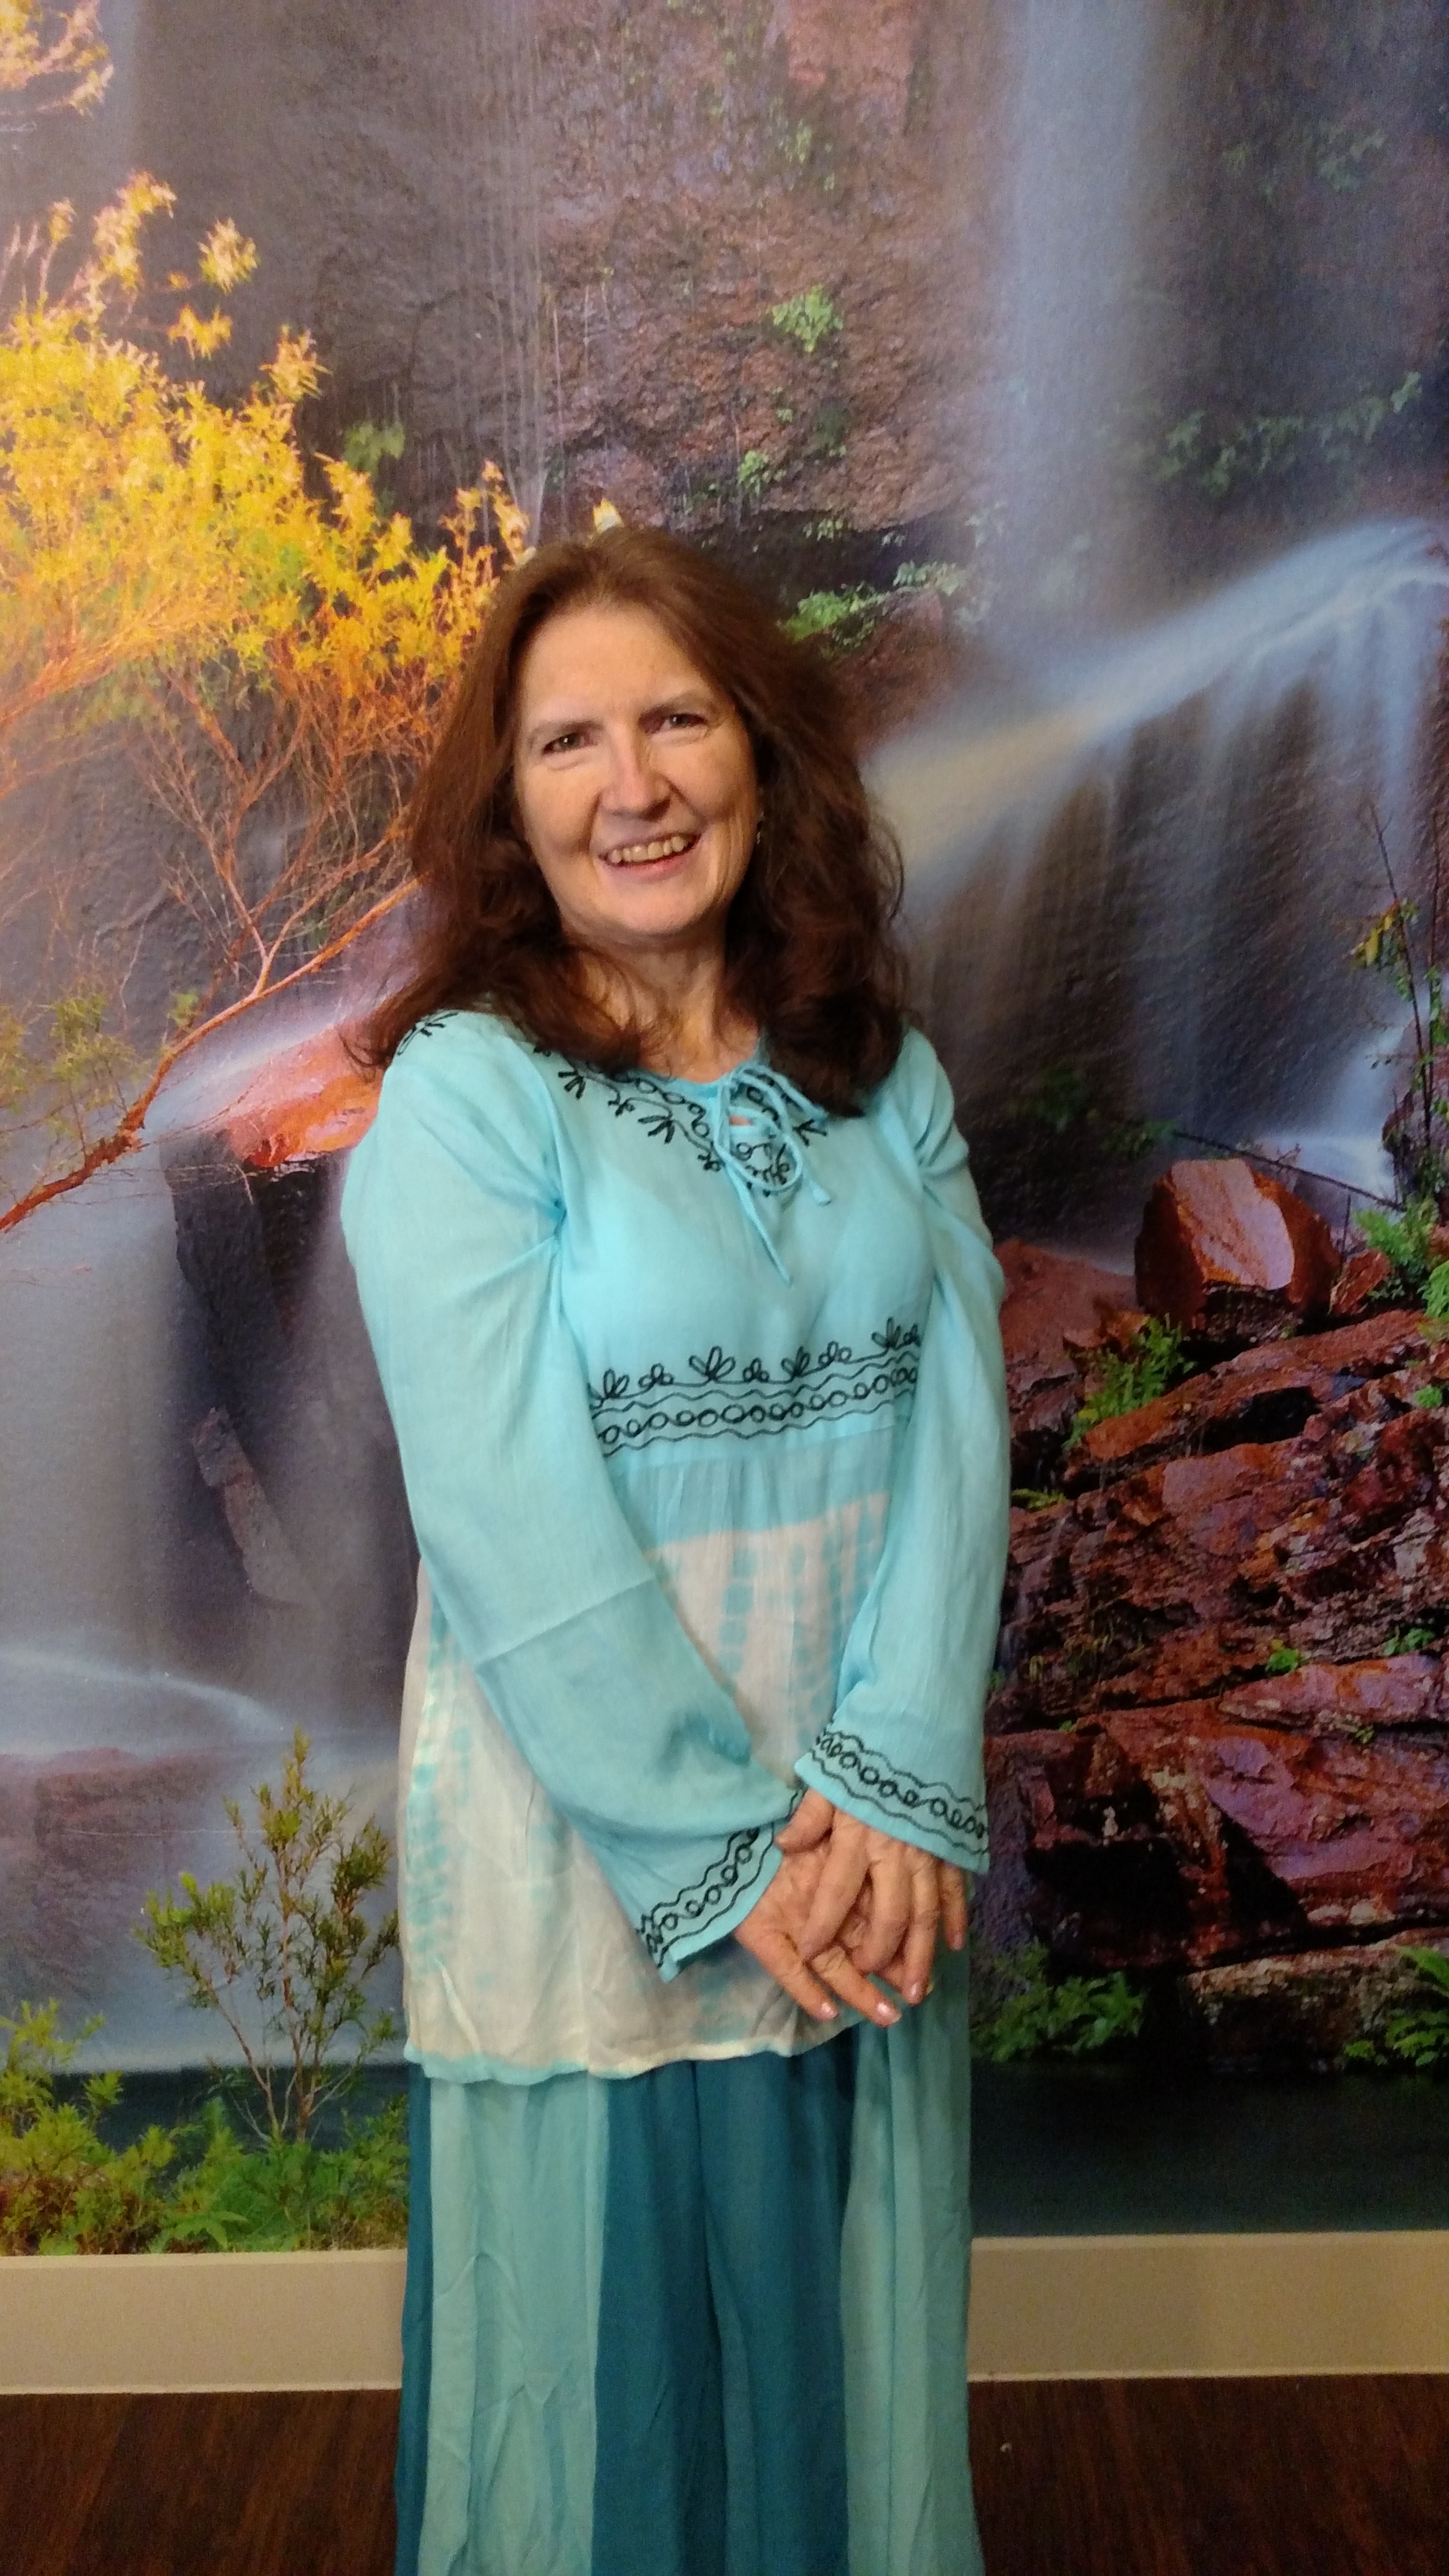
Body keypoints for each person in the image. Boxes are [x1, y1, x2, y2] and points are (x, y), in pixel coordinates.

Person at [342, 522, 1010, 2576]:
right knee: (613, 2428)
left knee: (842, 2406)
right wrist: (732, 1855)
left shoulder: (880, 1072)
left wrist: (897, 1775)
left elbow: (963, 1412)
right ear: (510, 801)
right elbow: (507, 1519)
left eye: (677, 721)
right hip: (600, 1863)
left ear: (760, 757)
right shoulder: (469, 1102)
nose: (629, 784)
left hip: (864, 1854)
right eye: (568, 742)